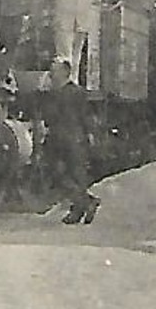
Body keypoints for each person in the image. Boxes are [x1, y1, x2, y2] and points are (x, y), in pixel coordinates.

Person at [35, 56, 100, 224]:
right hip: (64, 139)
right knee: (64, 176)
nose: (50, 73)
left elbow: (85, 116)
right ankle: (84, 204)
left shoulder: (74, 93)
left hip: (70, 140)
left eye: (54, 70)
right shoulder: (58, 93)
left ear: (65, 72)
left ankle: (81, 206)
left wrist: (89, 135)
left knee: (67, 176)